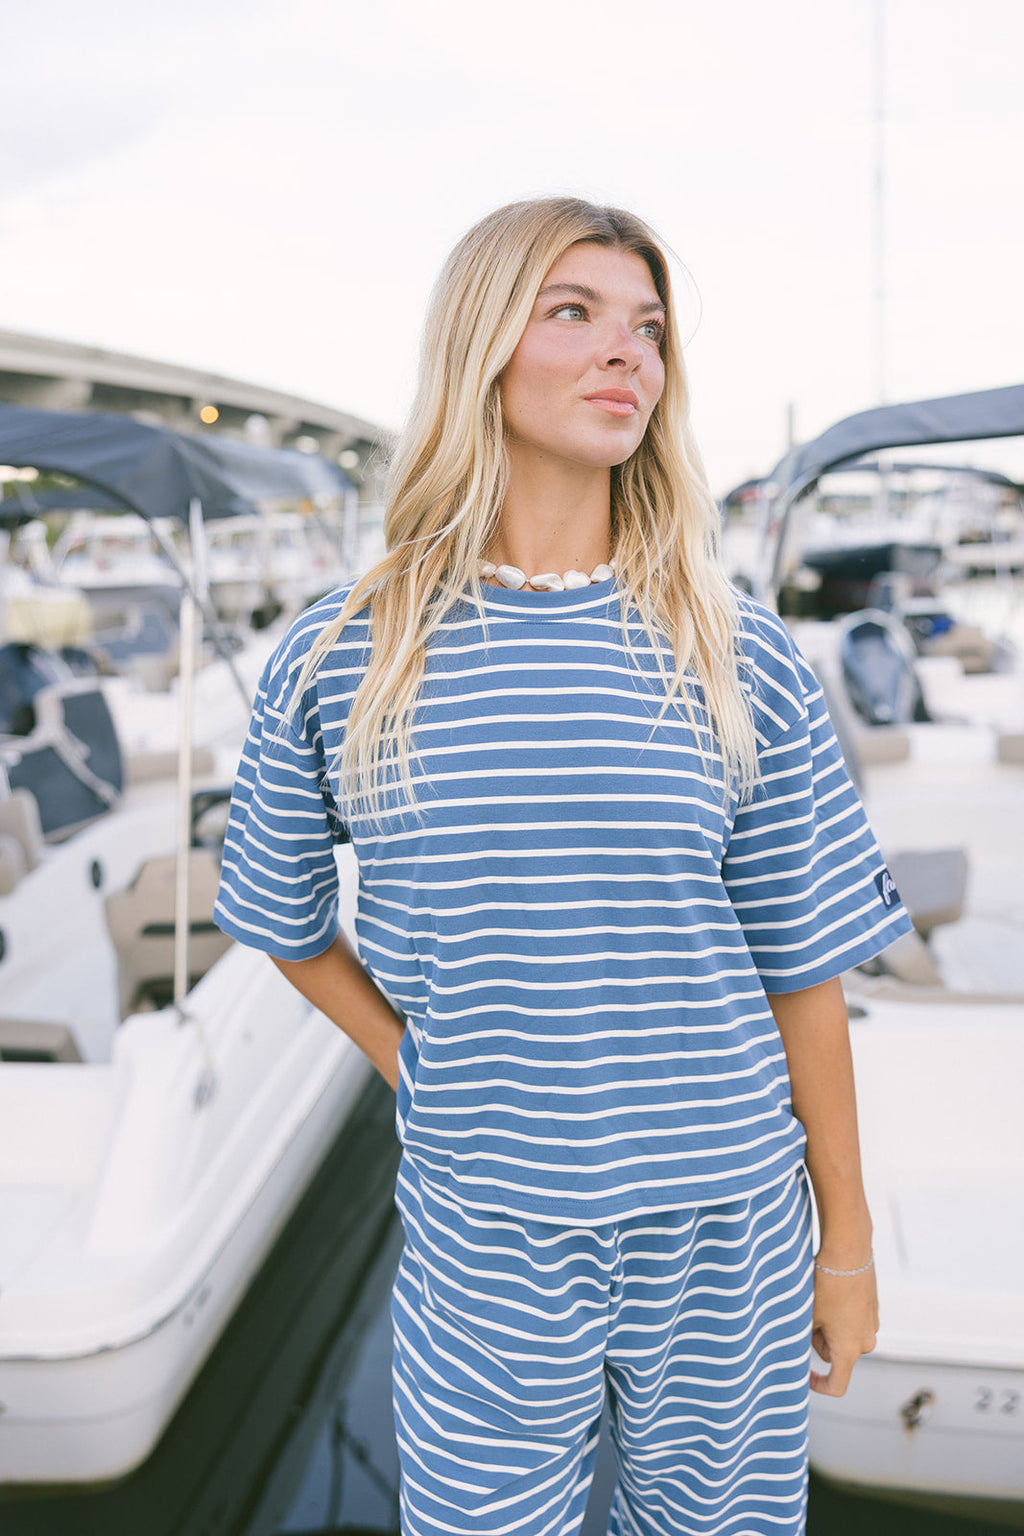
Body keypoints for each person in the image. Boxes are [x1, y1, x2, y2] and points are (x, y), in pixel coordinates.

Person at [214, 196, 912, 1536]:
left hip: (729, 1225)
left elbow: (803, 973)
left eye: (647, 328)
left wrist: (850, 1245)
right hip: (488, 1231)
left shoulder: (734, 649)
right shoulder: (346, 652)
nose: (626, 355)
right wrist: (411, 1059)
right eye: (575, 313)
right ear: (482, 348)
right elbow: (283, 918)